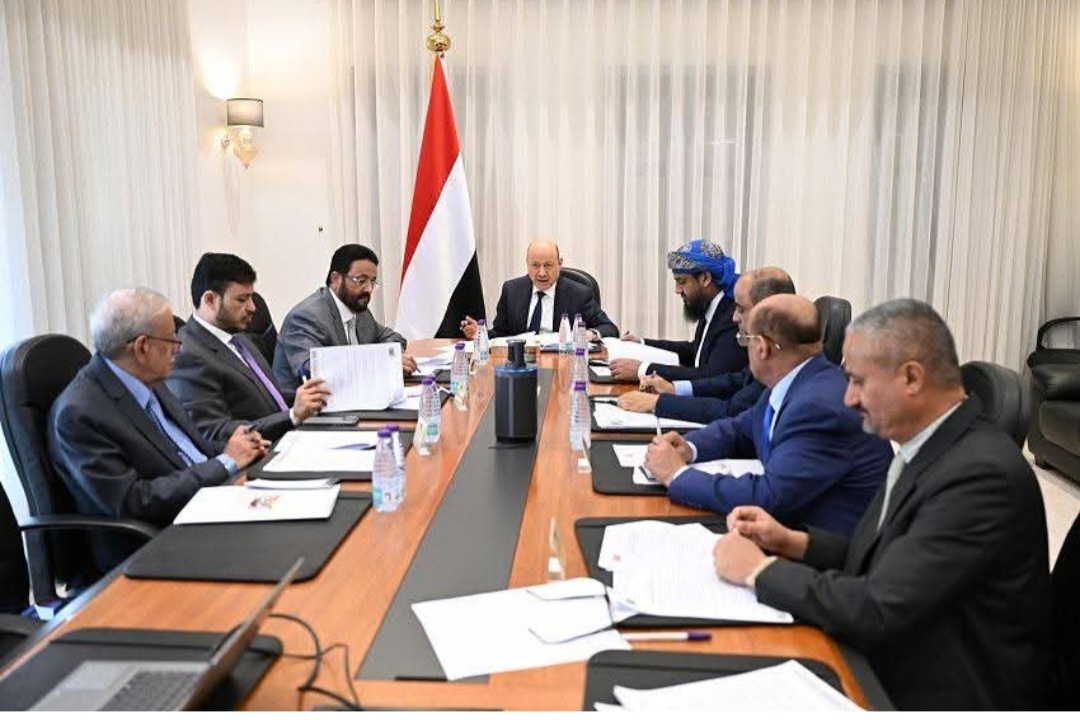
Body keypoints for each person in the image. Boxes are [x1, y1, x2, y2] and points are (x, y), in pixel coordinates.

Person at [713, 299, 1052, 710]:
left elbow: (877, 607)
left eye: (858, 381)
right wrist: (793, 542)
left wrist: (759, 571)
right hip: (903, 654)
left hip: (939, 692)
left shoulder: (981, 477)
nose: (849, 399)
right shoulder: (933, 444)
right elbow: (889, 556)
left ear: (911, 378)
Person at [48, 288, 268, 571]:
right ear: (142, 347)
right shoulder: (79, 413)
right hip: (161, 540)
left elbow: (189, 450)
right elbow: (133, 501)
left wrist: (238, 448)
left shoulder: (149, 378)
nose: (179, 348)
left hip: (211, 504)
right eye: (172, 340)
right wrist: (226, 462)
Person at [644, 295, 892, 535]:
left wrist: (677, 475)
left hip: (819, 549)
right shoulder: (798, 378)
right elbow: (740, 429)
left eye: (745, 340)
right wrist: (689, 447)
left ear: (762, 347)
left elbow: (769, 498)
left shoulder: (818, 406)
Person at [168, 253, 331, 442]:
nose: (253, 307)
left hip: (289, 439)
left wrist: (314, 396)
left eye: (251, 298)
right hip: (262, 452)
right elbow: (215, 432)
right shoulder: (188, 355)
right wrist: (293, 415)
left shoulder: (240, 339)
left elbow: (270, 398)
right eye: (242, 299)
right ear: (210, 300)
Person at [617, 267, 795, 423]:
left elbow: (731, 409)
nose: (735, 317)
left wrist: (658, 402)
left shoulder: (781, 362)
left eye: (740, 309)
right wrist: (674, 389)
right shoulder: (776, 350)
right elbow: (736, 380)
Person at [273, 243, 416, 391]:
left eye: (372, 282)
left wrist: (389, 358)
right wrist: (382, 363)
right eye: (361, 281)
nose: (368, 289)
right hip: (308, 403)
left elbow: (395, 338)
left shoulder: (358, 309)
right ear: (336, 279)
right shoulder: (306, 317)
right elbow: (315, 374)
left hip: (355, 395)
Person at [610, 239, 746, 382]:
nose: (677, 290)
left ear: (705, 278)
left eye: (682, 282)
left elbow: (711, 375)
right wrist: (642, 343)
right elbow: (696, 351)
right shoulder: (710, 304)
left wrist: (643, 370)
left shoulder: (732, 316)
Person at [460, 239, 618, 340]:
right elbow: (501, 333)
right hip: (521, 364)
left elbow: (610, 329)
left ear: (559, 263)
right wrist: (480, 333)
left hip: (562, 363)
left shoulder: (579, 294)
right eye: (535, 265)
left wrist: (588, 334)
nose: (541, 273)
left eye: (548, 265)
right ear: (527, 263)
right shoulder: (511, 290)